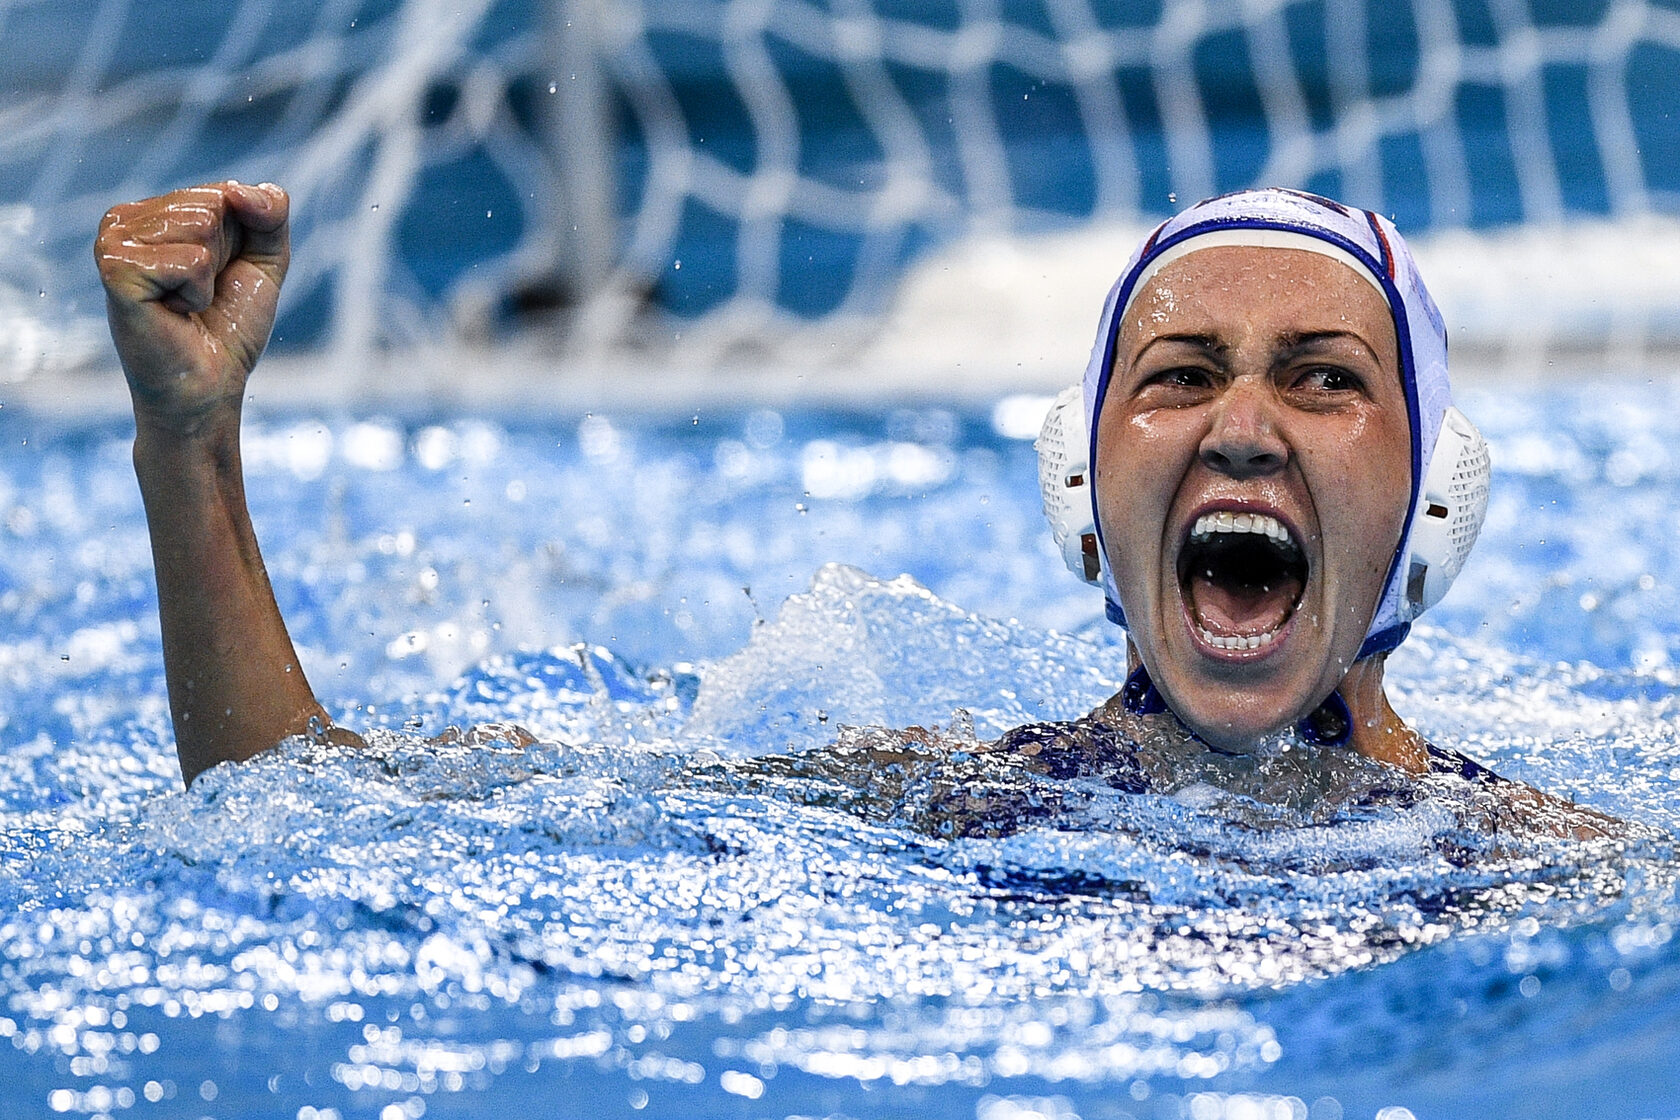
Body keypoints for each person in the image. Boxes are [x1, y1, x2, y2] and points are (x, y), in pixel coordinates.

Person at [95, 181, 1613, 837]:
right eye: (1180, 374)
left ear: (1431, 502)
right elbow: (302, 803)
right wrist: (190, 440)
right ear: (1083, 487)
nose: (1238, 425)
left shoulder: (1536, 869)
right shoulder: (951, 807)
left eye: (1327, 380)